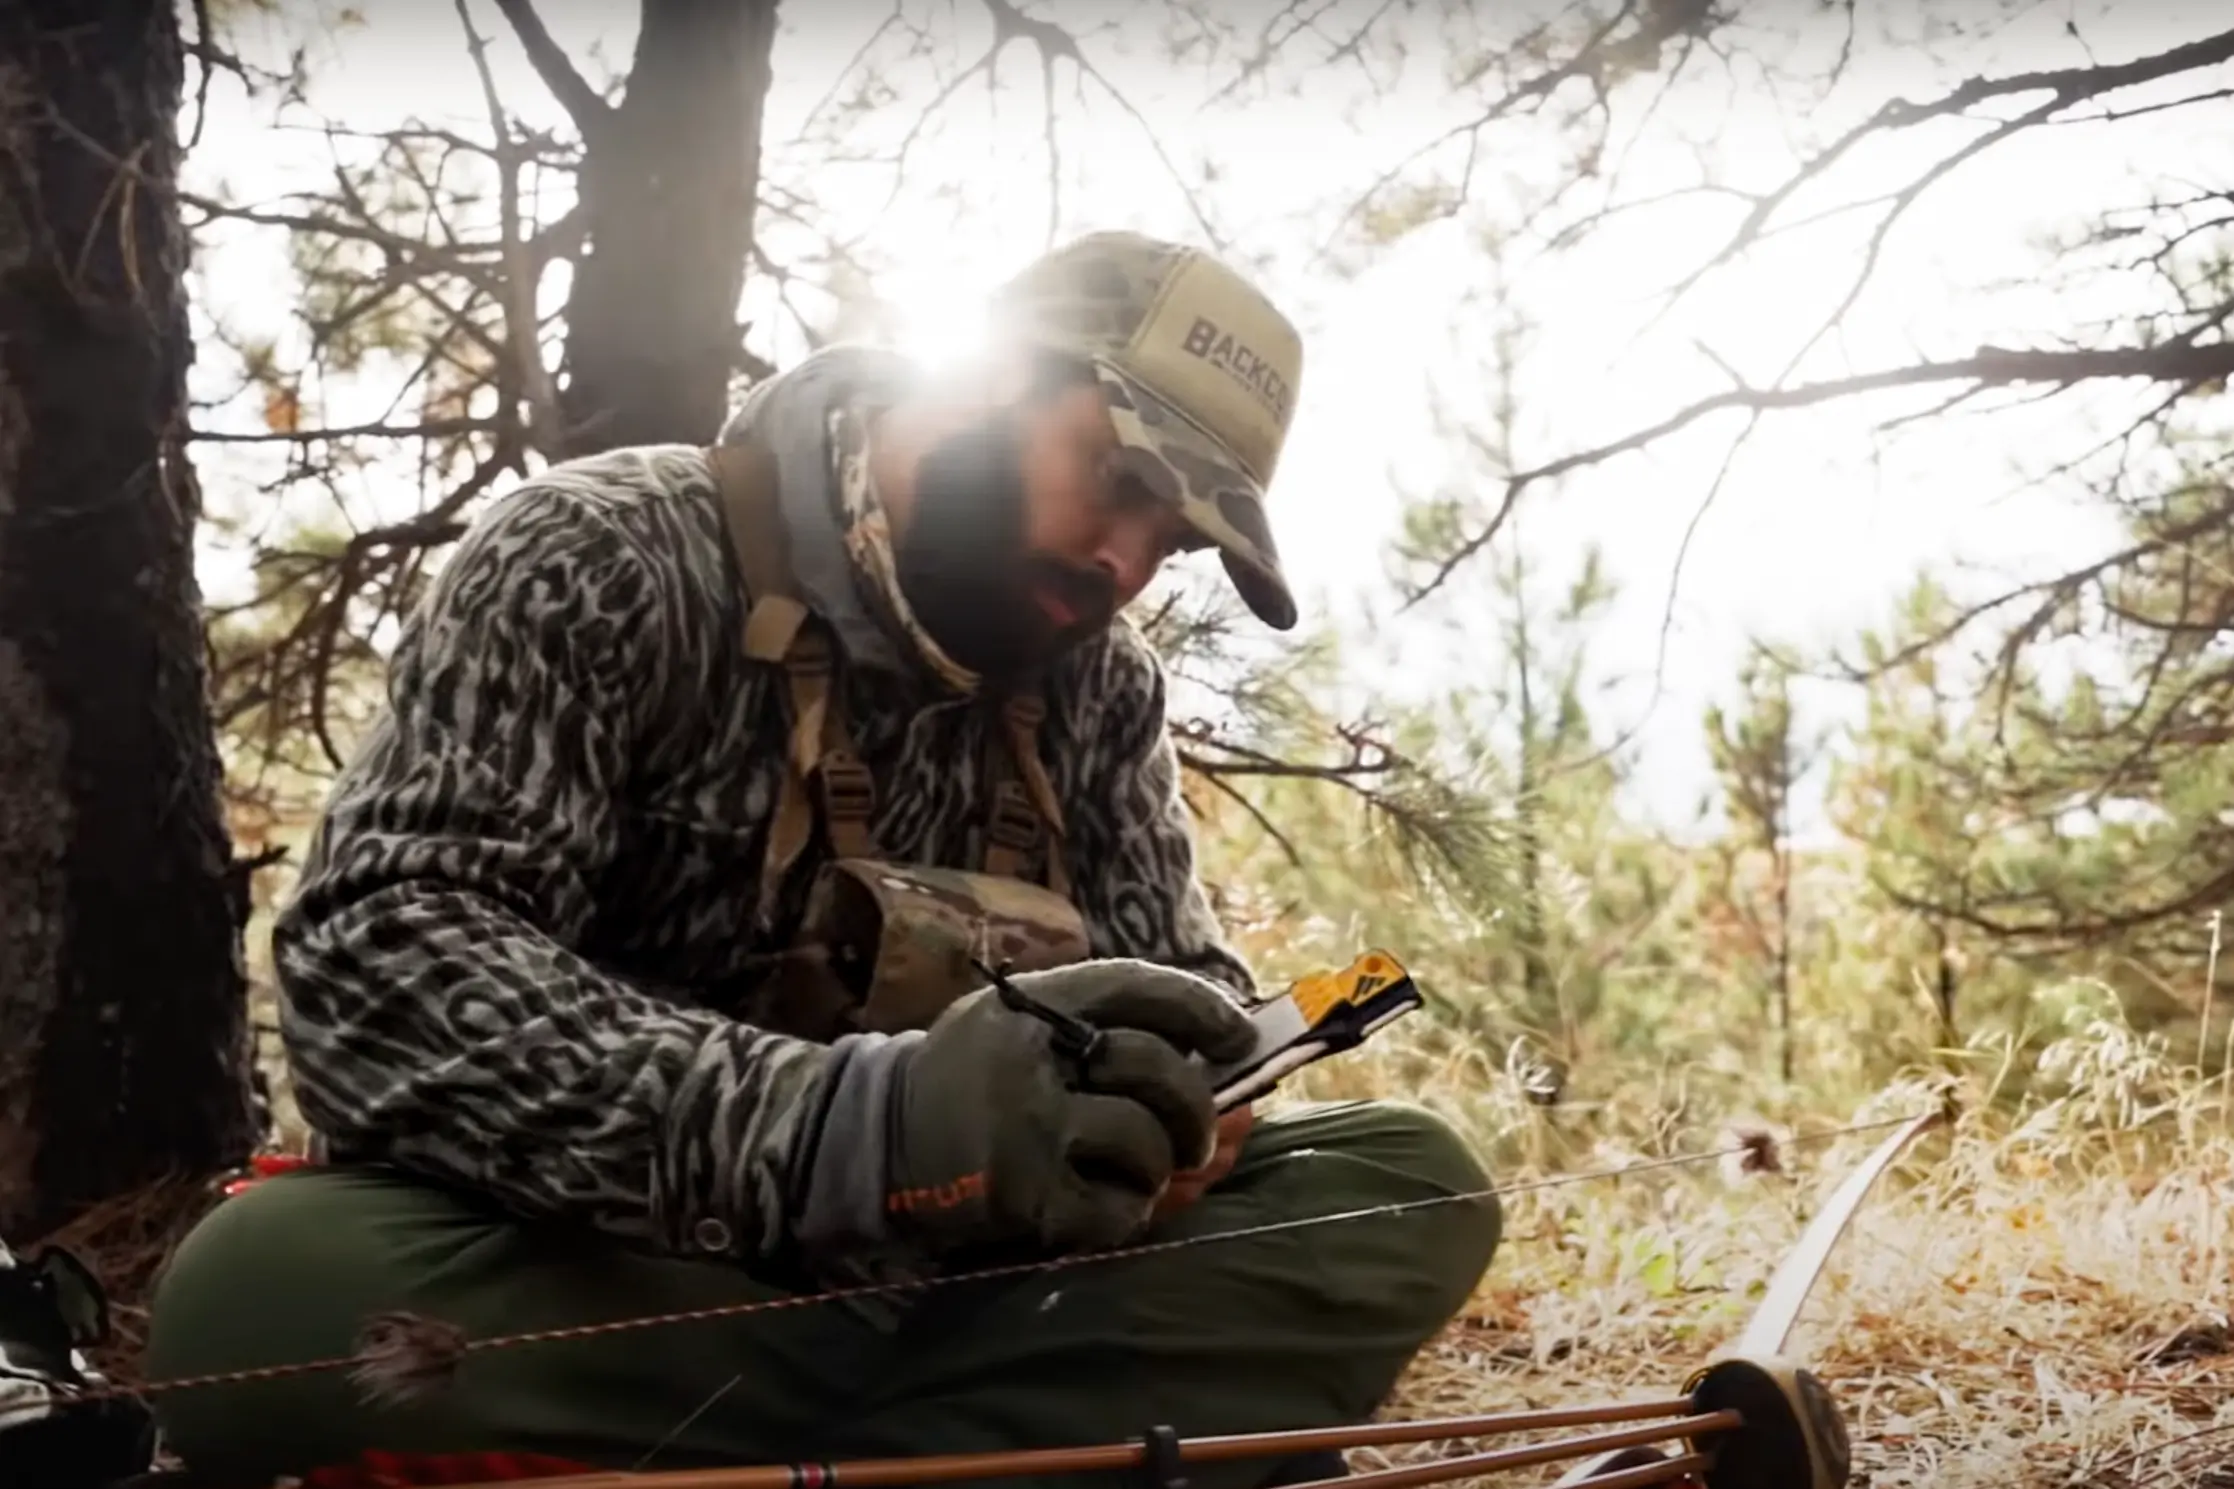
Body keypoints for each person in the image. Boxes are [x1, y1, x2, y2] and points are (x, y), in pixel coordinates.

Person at [143, 230, 1501, 1487]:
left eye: (1172, 540)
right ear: (987, 380)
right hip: (629, 1279)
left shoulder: (1096, 689)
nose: (1122, 562)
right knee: (265, 1303)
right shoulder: (606, 553)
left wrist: (1188, 1096)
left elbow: (1169, 970)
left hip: (967, 1283)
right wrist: (849, 1131)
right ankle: (1048, 1444)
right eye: (1121, 483)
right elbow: (387, 957)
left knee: (1400, 1182)